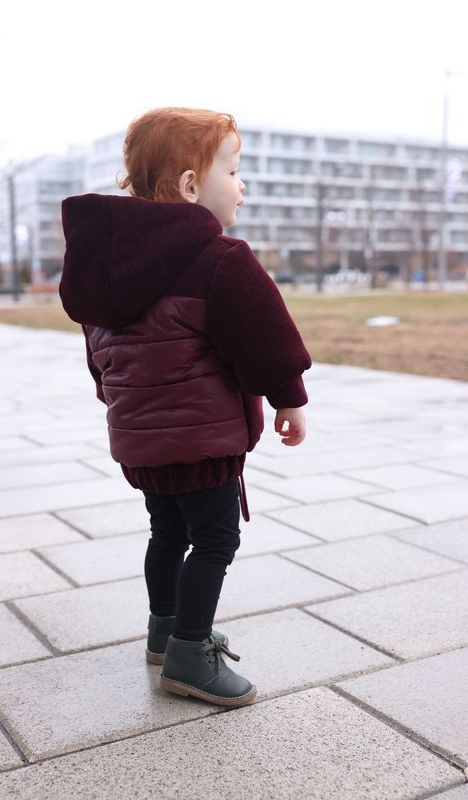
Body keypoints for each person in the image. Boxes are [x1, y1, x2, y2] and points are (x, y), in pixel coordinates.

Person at [59, 107, 311, 708]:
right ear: (192, 185)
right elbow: (266, 340)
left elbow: (100, 357)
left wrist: (124, 405)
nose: (242, 185)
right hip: (203, 439)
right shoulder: (219, 258)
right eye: (234, 170)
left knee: (166, 530)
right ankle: (190, 655)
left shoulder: (104, 269)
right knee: (217, 539)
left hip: (140, 441)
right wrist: (289, 399)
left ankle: (165, 630)